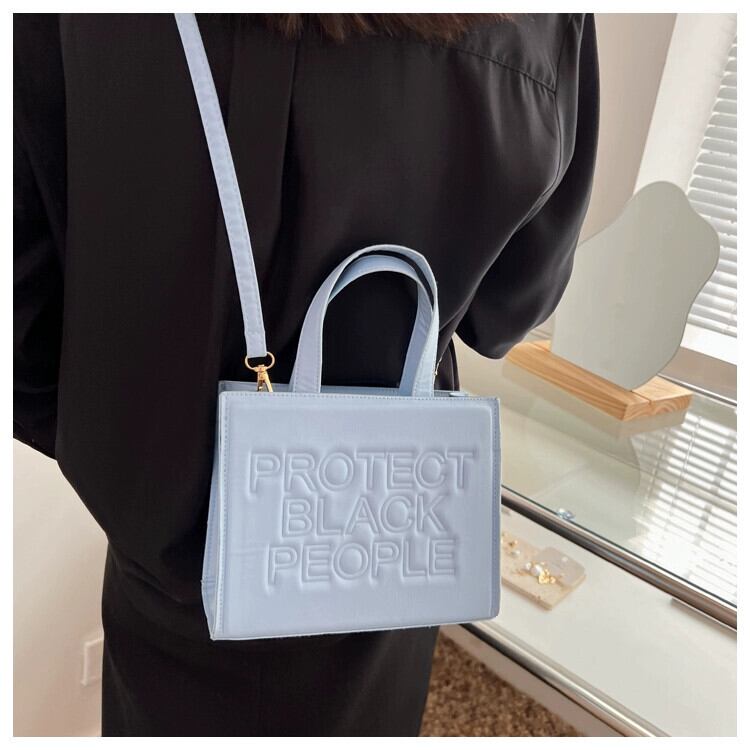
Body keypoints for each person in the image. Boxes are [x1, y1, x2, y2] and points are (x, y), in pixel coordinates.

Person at [13, 12, 599, 736]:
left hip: (166, 568)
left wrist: (141, 467)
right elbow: (507, 314)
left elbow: (24, 330)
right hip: (391, 548)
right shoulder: (543, 20)